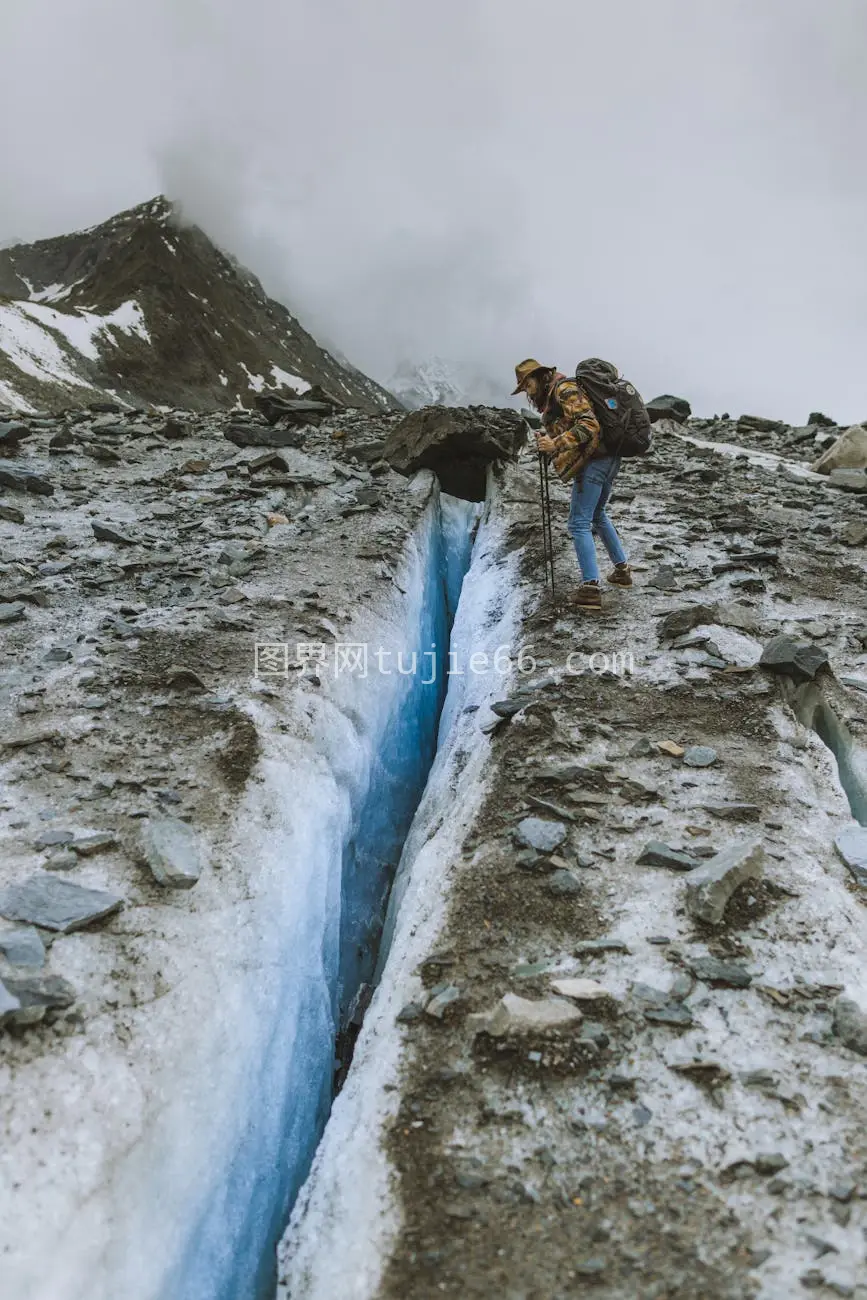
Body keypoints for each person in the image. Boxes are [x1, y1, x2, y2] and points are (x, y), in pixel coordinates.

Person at [512, 358, 632, 611]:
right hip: (607, 459)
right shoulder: (556, 394)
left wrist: (555, 444)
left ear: (540, 377)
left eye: (527, 384)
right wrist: (551, 438)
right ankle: (622, 570)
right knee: (597, 514)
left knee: (578, 522)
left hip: (595, 462)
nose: (527, 391)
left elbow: (589, 425)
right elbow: (573, 425)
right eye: (523, 388)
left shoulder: (565, 390)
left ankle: (590, 589)